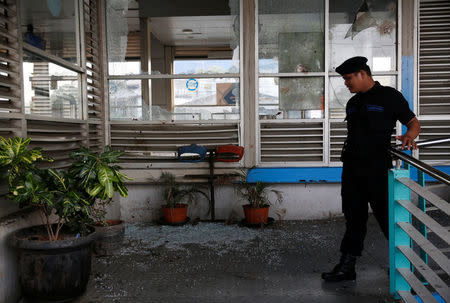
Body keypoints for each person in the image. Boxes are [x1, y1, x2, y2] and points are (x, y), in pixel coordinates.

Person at [322, 56, 420, 282]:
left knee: (388, 219)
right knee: (353, 219)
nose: (346, 83)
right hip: (352, 169)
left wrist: (408, 136)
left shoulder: (389, 96)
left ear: (362, 74)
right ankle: (347, 266)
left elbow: (414, 123)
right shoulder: (353, 103)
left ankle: (407, 267)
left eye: (348, 78)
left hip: (377, 169)